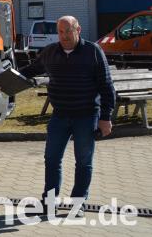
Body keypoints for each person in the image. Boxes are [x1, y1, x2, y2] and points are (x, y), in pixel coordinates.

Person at [19, 16, 115, 218]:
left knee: (83, 162)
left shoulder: (92, 52)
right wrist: (4, 78)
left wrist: (106, 117)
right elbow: (30, 70)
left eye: (68, 31)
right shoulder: (51, 52)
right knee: (52, 160)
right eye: (60, 32)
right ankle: (49, 203)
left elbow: (106, 86)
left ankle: (78, 204)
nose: (64, 36)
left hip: (87, 116)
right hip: (60, 116)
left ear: (78, 29)